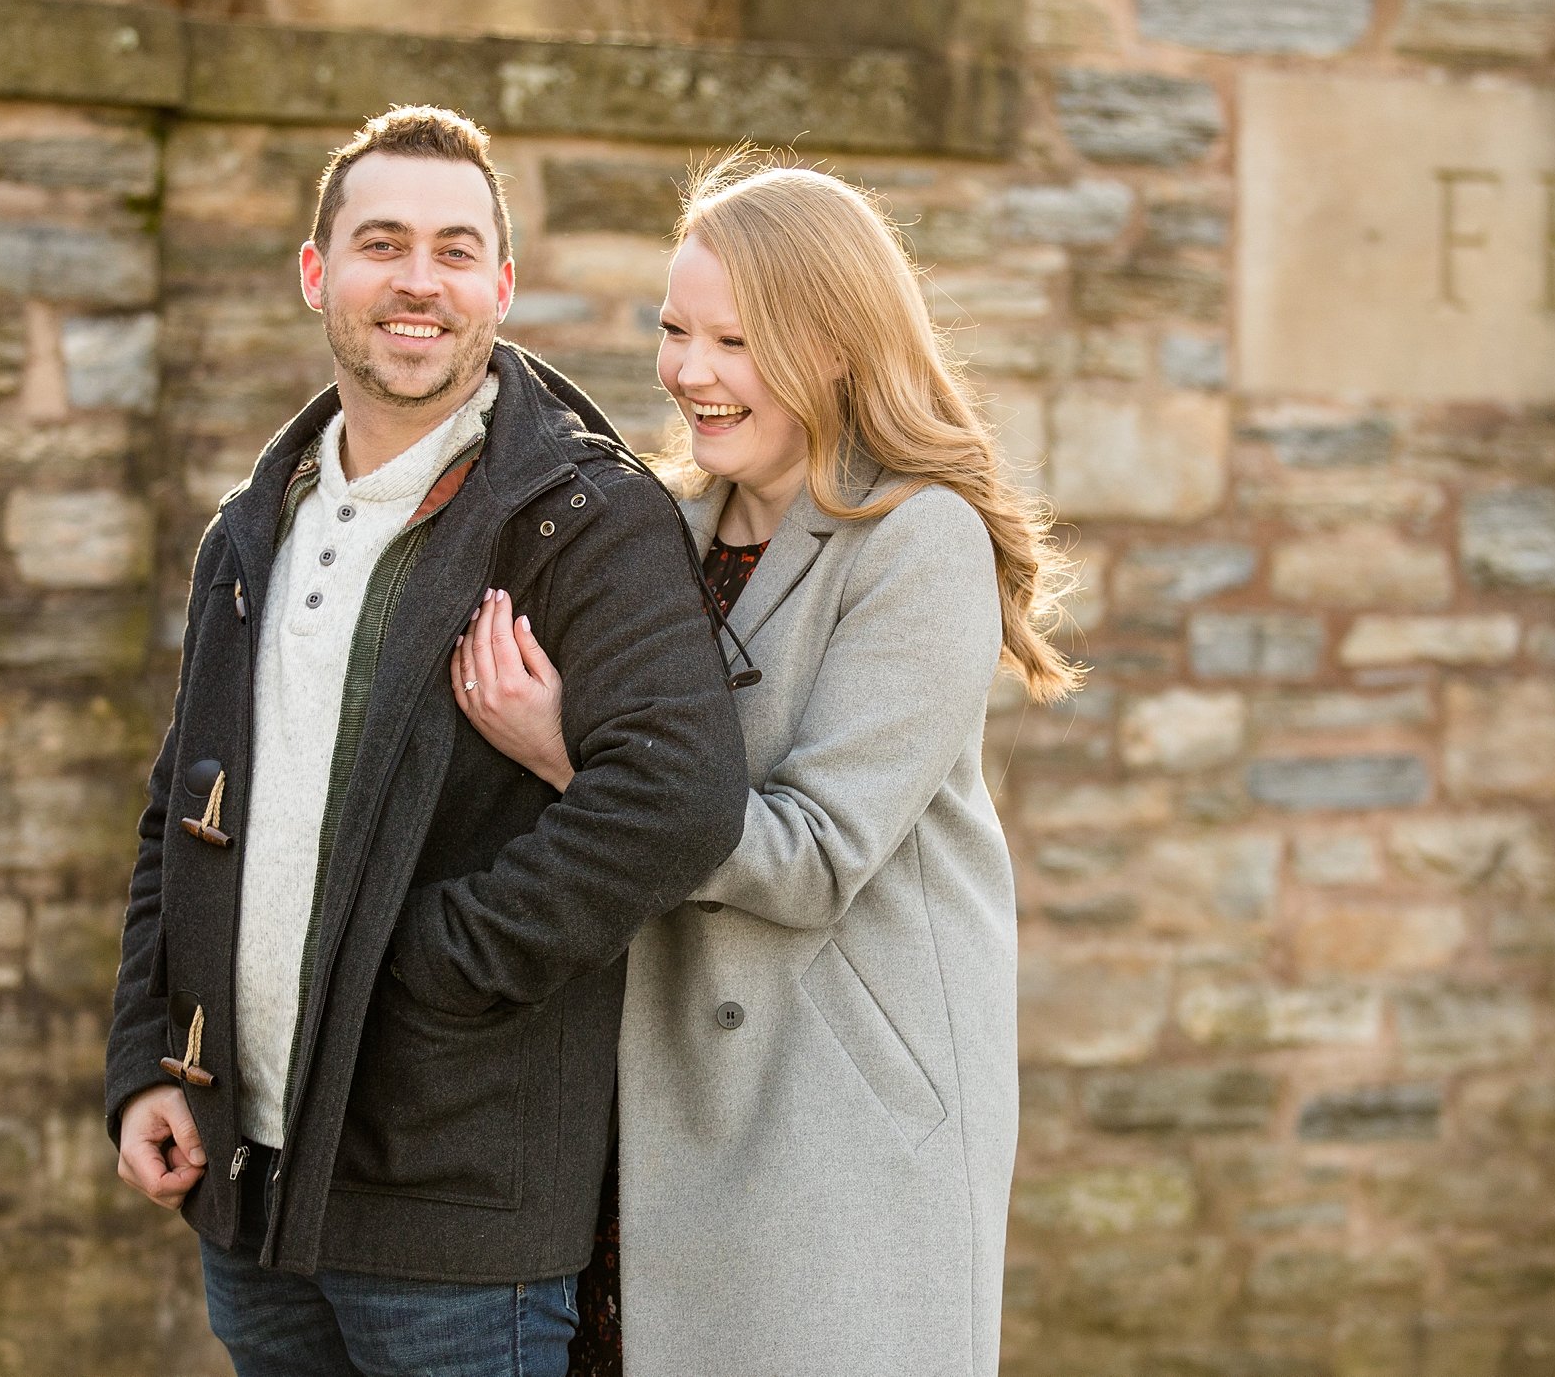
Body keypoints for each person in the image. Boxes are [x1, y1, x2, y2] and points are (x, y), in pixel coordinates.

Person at [103, 105, 747, 1377]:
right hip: (253, 1194)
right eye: (381, 242)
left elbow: (678, 795)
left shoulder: (584, 518)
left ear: (500, 286)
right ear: (315, 273)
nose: (418, 280)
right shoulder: (251, 525)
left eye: (457, 251)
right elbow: (181, 810)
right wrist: (147, 1057)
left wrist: (427, 964)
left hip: (460, 1217)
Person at [453, 155, 1083, 1377]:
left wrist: (571, 751)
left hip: (834, 1119)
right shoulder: (655, 530)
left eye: (736, 340)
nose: (689, 371)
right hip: (645, 1103)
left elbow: (813, 856)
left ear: (835, 346)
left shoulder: (919, 541)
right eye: (676, 329)